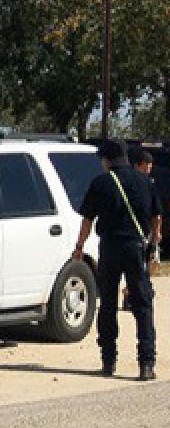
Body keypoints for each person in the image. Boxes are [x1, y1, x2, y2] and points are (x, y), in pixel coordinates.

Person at [73, 138, 157, 380]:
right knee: (143, 306)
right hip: (135, 248)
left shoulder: (100, 183)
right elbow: (157, 217)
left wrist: (79, 247)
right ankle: (146, 364)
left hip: (110, 248)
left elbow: (87, 219)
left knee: (108, 305)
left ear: (107, 160)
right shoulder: (144, 181)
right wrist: (151, 244)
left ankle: (108, 362)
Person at [123, 147, 163, 310]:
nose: (148, 171)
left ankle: (134, 294)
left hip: (139, 233)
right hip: (140, 234)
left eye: (150, 168)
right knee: (140, 268)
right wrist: (156, 233)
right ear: (137, 165)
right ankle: (133, 295)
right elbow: (157, 214)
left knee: (145, 265)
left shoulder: (127, 183)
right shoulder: (146, 185)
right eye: (146, 167)